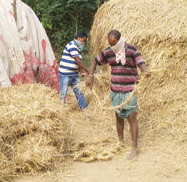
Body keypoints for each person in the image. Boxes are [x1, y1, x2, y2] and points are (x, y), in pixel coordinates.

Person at [86, 30, 151, 160]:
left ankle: (134, 149)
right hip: (115, 90)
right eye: (110, 44)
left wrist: (144, 71)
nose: (112, 46)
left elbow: (140, 62)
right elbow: (94, 61)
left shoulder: (131, 49)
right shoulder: (109, 52)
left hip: (130, 90)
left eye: (114, 43)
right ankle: (120, 143)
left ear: (120, 40)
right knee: (119, 117)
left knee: (132, 117)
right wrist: (90, 76)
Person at [58, 31, 90, 111]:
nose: (84, 43)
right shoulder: (71, 45)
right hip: (65, 74)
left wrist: (81, 71)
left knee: (79, 92)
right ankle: (61, 110)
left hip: (74, 75)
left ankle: (85, 109)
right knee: (63, 93)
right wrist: (88, 71)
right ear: (79, 38)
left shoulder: (78, 49)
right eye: (83, 41)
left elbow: (77, 63)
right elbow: (78, 61)